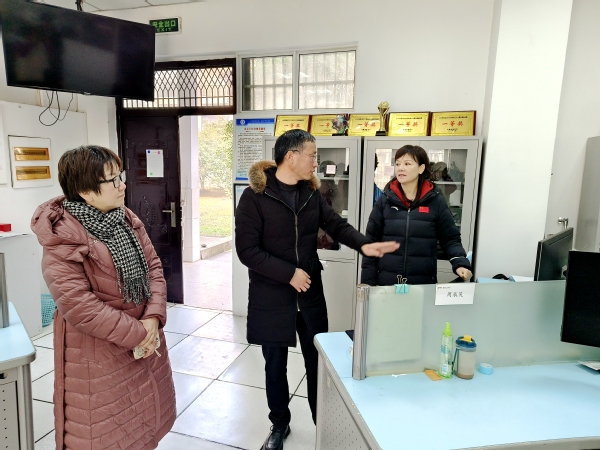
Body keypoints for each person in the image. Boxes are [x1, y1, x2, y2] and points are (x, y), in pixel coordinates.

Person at [235, 129, 398, 450]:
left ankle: (321, 423)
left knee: (317, 362)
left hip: (309, 293)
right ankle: (280, 424)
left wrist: (364, 245)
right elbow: (247, 251)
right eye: (312, 155)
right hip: (271, 295)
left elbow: (336, 224)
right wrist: (289, 274)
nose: (315, 162)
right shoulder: (255, 197)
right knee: (275, 366)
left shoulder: (311, 194)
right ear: (291, 156)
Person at [31, 145, 176, 450]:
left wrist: (153, 317)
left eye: (120, 176)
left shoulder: (125, 218)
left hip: (144, 338)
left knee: (144, 422)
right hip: (100, 353)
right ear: (85, 191)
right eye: (112, 180)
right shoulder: (62, 235)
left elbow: (153, 267)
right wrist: (140, 333)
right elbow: (79, 306)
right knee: (108, 430)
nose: (122, 185)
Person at [361, 145, 472, 286]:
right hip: (387, 282)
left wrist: (460, 263)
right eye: (398, 164)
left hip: (422, 283)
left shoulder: (436, 202)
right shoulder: (385, 201)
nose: (400, 168)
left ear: (421, 168)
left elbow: (450, 239)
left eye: (407, 164)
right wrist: (367, 284)